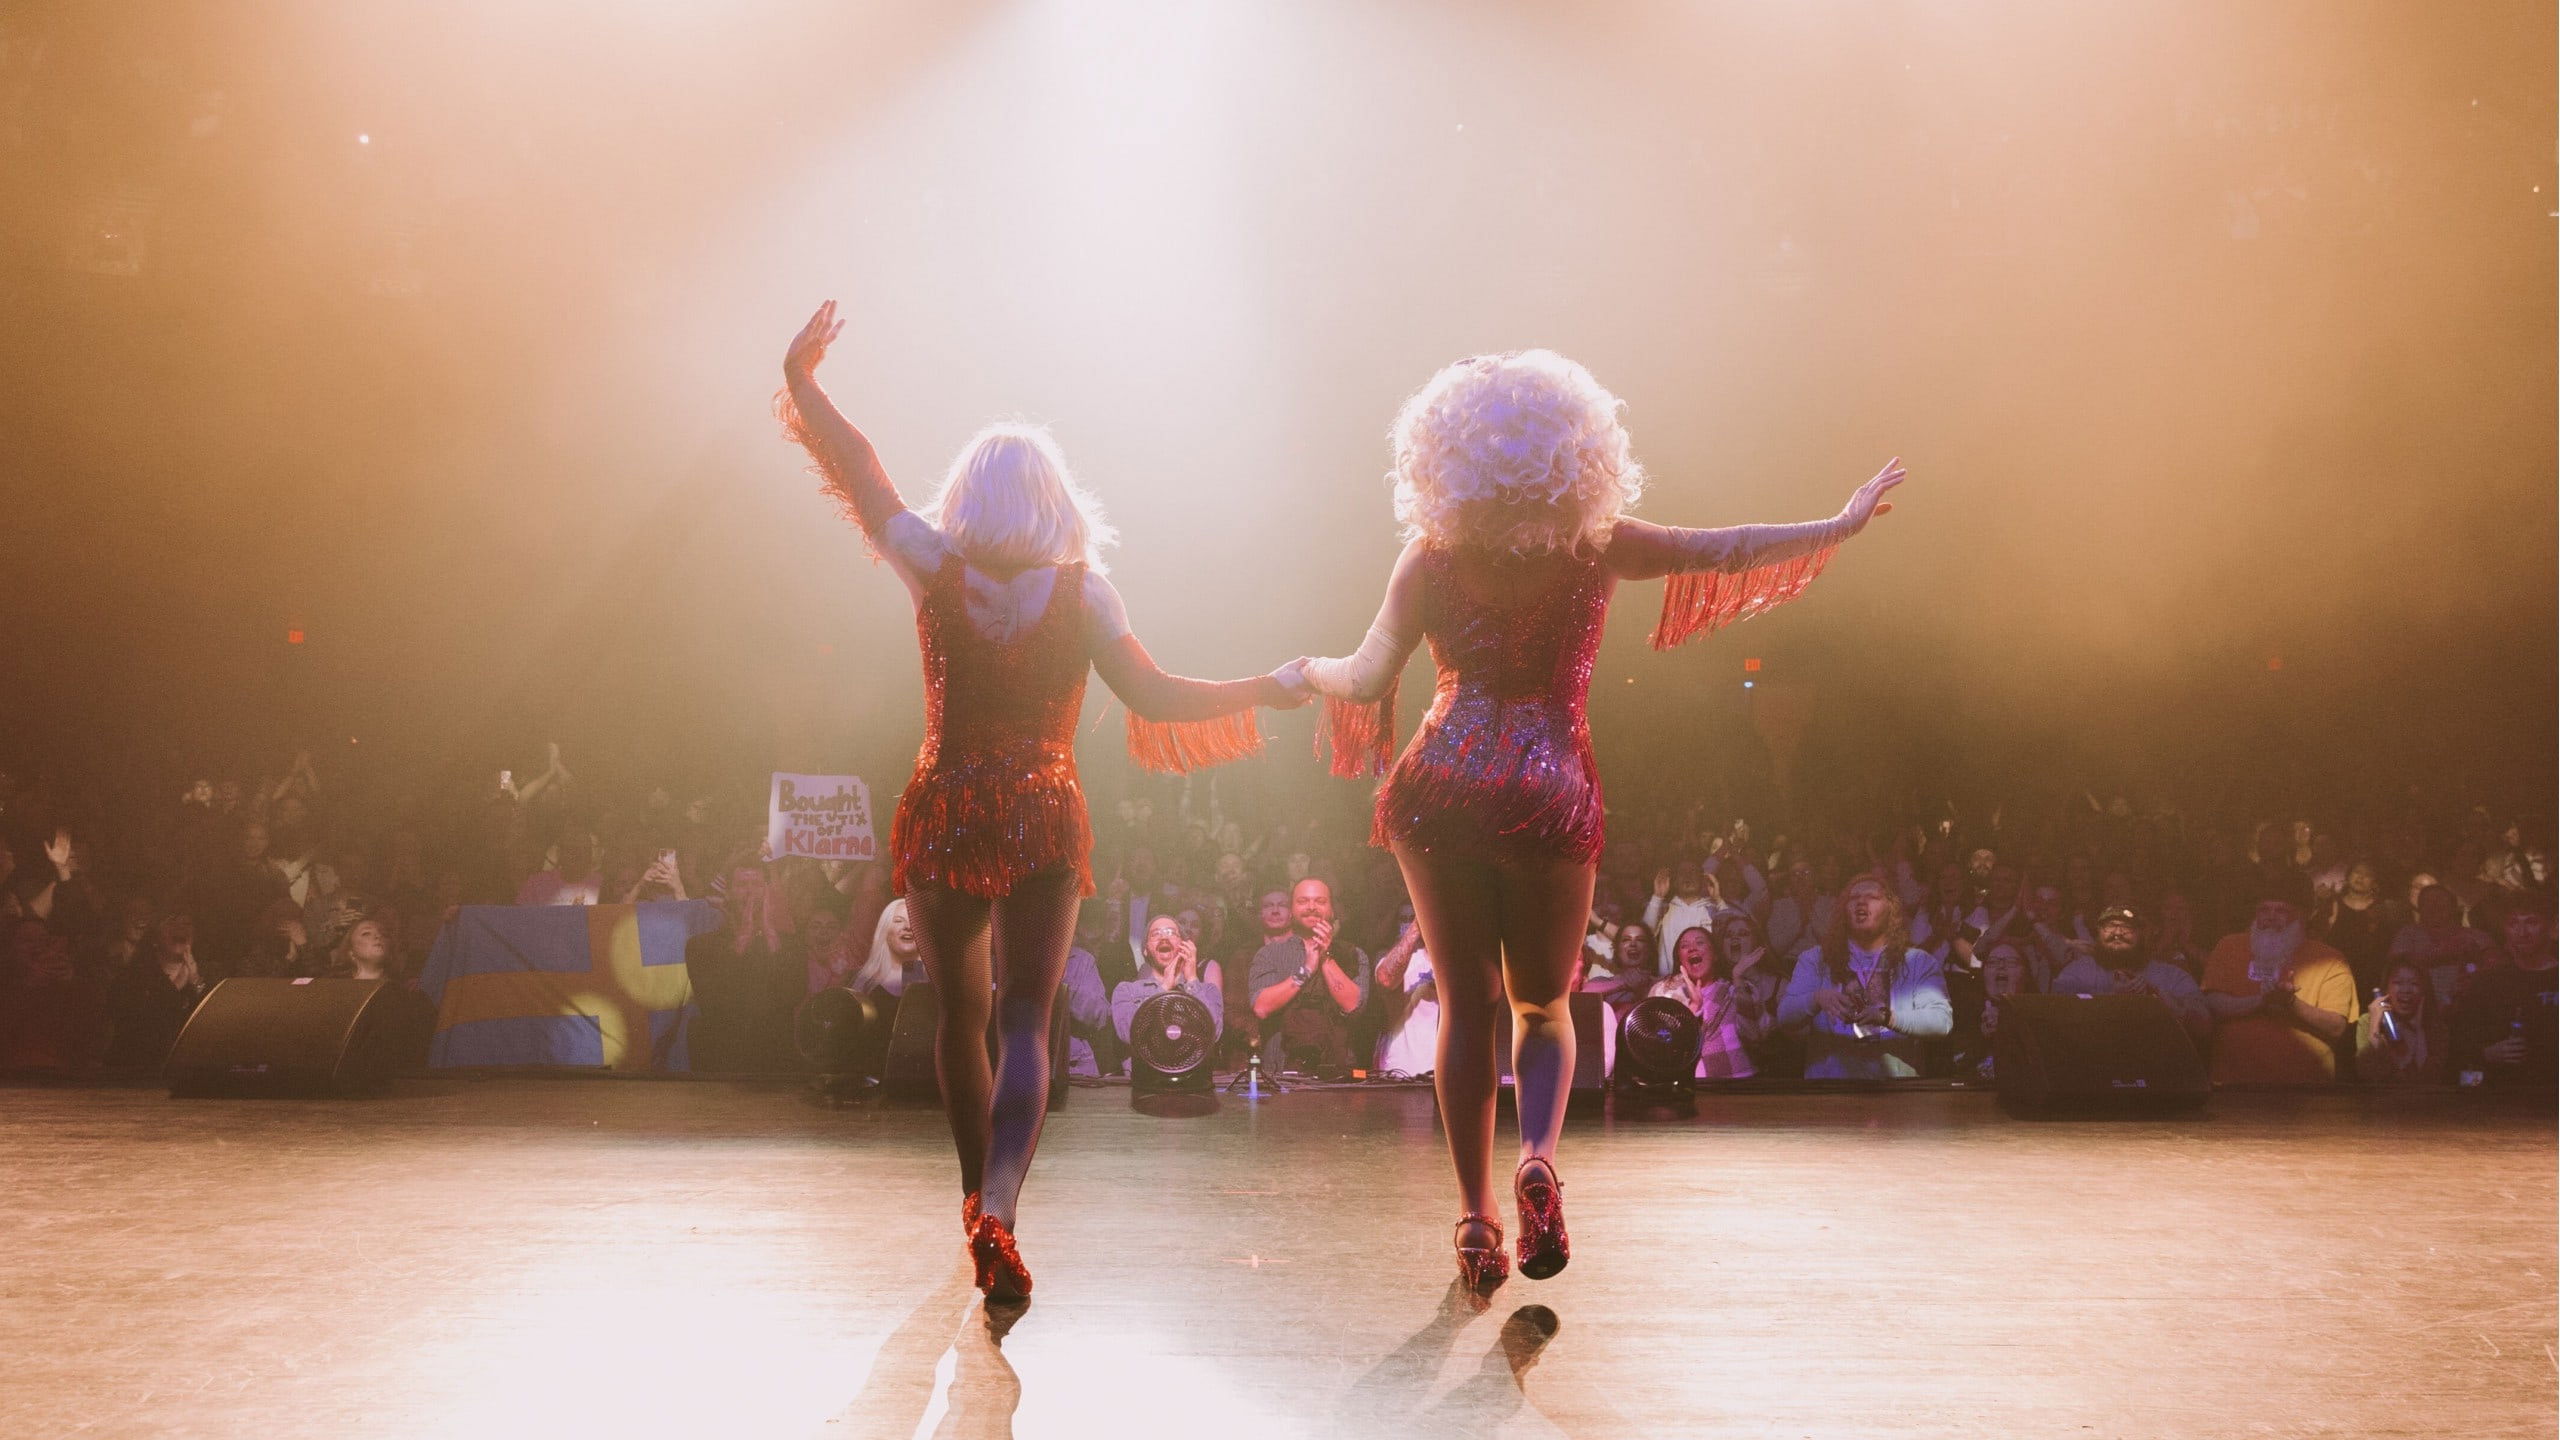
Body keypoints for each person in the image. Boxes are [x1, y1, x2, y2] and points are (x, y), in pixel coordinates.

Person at [1285, 348, 1903, 1287]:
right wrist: (1838, 523)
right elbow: (1725, 547)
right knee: (1542, 1005)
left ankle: (1476, 1221)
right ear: (1574, 446)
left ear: (1444, 454)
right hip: (1548, 784)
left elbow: (1366, 676)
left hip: (1440, 783)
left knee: (1464, 1009)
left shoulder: (1430, 557)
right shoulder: (1599, 544)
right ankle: (1537, 1159)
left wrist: (1306, 673)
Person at [780, 300, 1301, 1300]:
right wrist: (1263, 689)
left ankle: (974, 1202)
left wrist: (803, 383)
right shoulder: (1086, 593)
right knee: (1025, 1020)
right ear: (1055, 500)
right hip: (1042, 814)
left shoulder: (931, 564)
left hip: (946, 805)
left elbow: (862, 470)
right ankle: (1003, 1209)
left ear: (967, 496)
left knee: (958, 1016)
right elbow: (1157, 696)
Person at [1776, 873, 1952, 1079]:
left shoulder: (1917, 962)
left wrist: (1888, 1018)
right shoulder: (1816, 959)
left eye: (1872, 897)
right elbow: (1785, 1017)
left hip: (1895, 1090)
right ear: (1844, 910)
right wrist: (1816, 999)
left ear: (1891, 910)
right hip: (1830, 1089)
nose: (1861, 901)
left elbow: (1942, 1022)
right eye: (1853, 898)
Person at [2200, 875, 2358, 1086]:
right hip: (2233, 1085)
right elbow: (2212, 1004)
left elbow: (2336, 1027)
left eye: (2281, 910)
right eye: (2264, 910)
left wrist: (2291, 1003)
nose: (2270, 917)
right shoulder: (2229, 946)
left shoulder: (2330, 959)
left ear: (2303, 915)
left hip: (2306, 1090)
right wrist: (2261, 1001)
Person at [1247, 877, 1369, 1077]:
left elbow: (1353, 1006)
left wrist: (1325, 957)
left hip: (1339, 1071)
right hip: (1281, 1069)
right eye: (1303, 901)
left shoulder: (1354, 954)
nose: (1311, 907)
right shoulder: (1270, 953)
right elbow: (1261, 1007)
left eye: (1320, 901)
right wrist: (1306, 969)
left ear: (1332, 910)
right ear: (1291, 910)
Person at [2049, 905, 2212, 1044]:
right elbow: (2056, 1016)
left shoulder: (2171, 976)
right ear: (2098, 933)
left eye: (2126, 927)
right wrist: (2112, 999)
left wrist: (2172, 1006)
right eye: (2110, 926)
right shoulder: (2077, 971)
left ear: (2140, 933)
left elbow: (2205, 1028)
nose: (2117, 932)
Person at [2449, 895, 2556, 1091]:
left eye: (2531, 922)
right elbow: (2459, 1052)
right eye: (2513, 923)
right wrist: (2486, 1055)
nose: (2522, 932)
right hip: (2502, 1097)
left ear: (2551, 927)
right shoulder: (2487, 983)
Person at [1650, 924, 1766, 1080]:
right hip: (1686, 1082)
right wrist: (1694, 1008)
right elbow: (1660, 1045)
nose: (1692, 948)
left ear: (1715, 955)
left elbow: (1754, 1036)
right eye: (1684, 946)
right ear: (1679, 959)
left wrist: (1738, 978)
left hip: (1738, 1080)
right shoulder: (1664, 992)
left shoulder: (1733, 989)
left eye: (1700, 942)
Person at [1111, 915, 1223, 1047]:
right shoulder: (1127, 990)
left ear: (1183, 945)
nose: (1164, 938)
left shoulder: (1208, 991)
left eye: (1171, 932)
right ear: (1146, 949)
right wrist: (1163, 988)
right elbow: (1127, 1033)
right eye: (1155, 934)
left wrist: (1192, 979)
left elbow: (1214, 1034)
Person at [2356, 961, 2445, 1087]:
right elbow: (2368, 1075)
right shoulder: (2368, 1021)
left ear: (2423, 991)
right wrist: (2375, 1027)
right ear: (2386, 989)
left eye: (2414, 983)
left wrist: (2419, 1031)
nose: (2406, 990)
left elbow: (2429, 1080)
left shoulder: (2436, 1028)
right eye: (2398, 982)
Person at [1373, 916, 1439, 1079]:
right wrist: (1417, 925)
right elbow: (1386, 979)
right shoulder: (1407, 961)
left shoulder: (1461, 964)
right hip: (1402, 1073)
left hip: (1447, 1076)